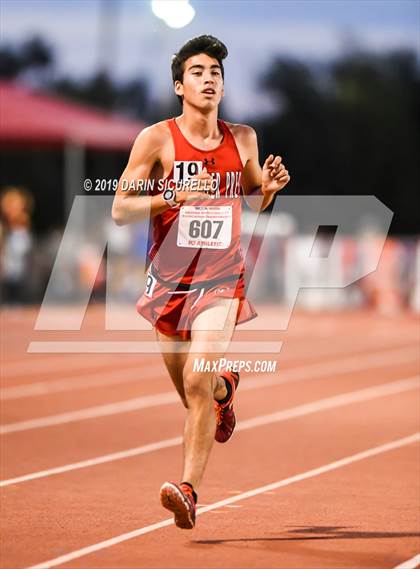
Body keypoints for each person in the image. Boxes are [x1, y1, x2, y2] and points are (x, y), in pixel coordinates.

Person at [112, 35, 290, 529]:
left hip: (220, 278)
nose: (209, 78)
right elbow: (120, 207)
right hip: (168, 283)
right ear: (178, 85)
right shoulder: (156, 139)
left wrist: (269, 191)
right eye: (197, 71)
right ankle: (224, 391)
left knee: (195, 378)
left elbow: (254, 193)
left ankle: (189, 490)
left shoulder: (244, 138)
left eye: (216, 71)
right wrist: (171, 196)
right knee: (194, 390)